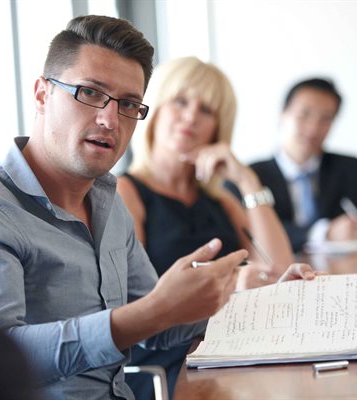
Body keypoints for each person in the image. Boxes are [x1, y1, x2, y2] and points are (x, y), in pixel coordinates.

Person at [0, 15, 317, 400]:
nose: (109, 119)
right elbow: (2, 357)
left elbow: (161, 322)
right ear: (42, 95)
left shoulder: (107, 201)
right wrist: (156, 311)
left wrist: (267, 307)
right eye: (90, 93)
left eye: (128, 103)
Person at [116, 56, 294, 399]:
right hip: (169, 364)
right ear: (156, 110)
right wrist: (229, 289)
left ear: (218, 127)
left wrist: (247, 180)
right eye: (180, 101)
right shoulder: (126, 192)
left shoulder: (222, 201)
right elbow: (132, 306)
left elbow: (280, 269)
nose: (191, 117)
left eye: (206, 110)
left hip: (232, 350)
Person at [241, 78, 357, 252]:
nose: (313, 128)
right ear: (283, 114)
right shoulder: (250, 176)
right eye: (304, 114)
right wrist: (325, 232)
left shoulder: (347, 168)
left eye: (325, 119)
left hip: (336, 272)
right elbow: (249, 230)